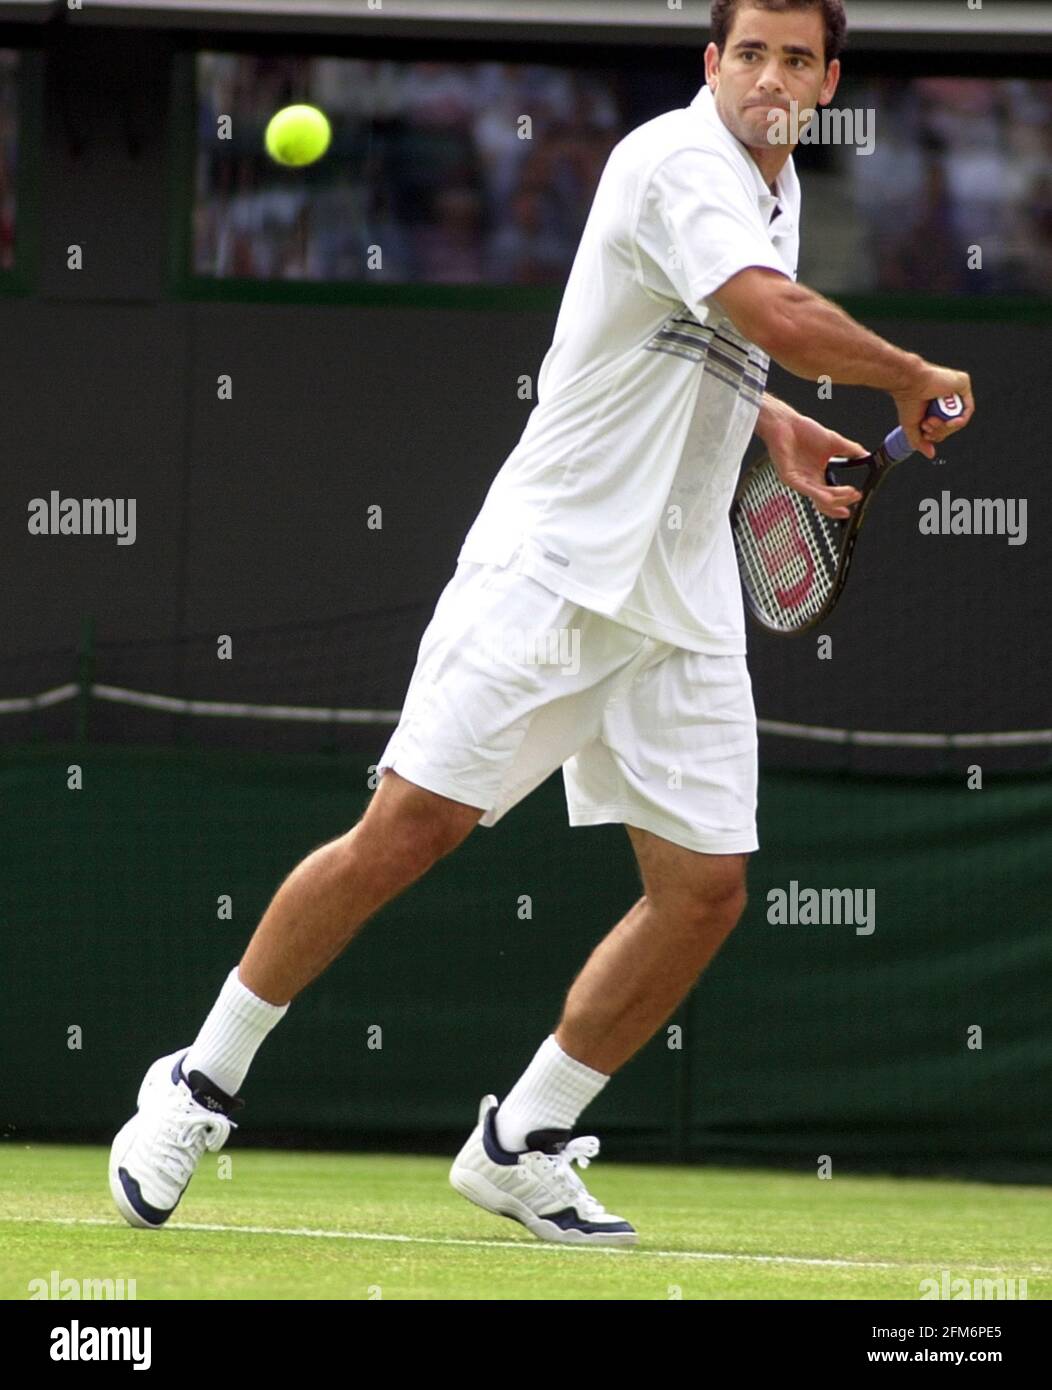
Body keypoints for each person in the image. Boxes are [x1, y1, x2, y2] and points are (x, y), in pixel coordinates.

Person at [110, 0, 973, 1247]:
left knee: (705, 891)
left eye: (796, 59)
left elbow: (718, 339)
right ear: (710, 64)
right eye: (750, 53)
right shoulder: (673, 159)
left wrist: (769, 423)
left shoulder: (771, 190)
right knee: (404, 831)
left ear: (827, 77)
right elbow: (765, 310)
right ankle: (195, 1083)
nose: (771, 77)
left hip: (677, 603)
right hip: (554, 569)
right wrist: (904, 372)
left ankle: (521, 1141)